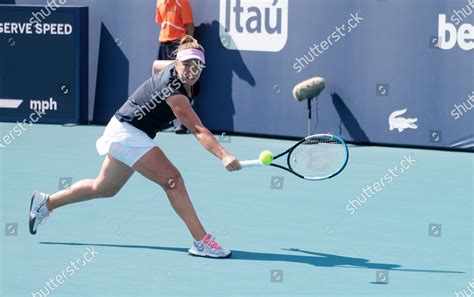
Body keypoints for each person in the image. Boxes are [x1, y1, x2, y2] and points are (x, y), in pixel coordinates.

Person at [29, 35, 242, 259]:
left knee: (103, 188)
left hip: (128, 129)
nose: (192, 70)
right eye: (187, 64)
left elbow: (155, 65)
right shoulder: (175, 94)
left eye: (197, 65)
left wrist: (151, 97)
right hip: (128, 132)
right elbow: (198, 130)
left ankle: (45, 202)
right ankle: (202, 241)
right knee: (173, 180)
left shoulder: (172, 68)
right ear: (177, 62)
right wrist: (224, 155)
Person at [156, 0, 195, 134]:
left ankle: (184, 123)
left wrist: (187, 48)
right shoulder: (159, 2)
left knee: (180, 83)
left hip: (178, 44)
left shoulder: (182, 2)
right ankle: (165, 121)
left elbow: (190, 26)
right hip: (163, 44)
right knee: (162, 83)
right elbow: (163, 23)